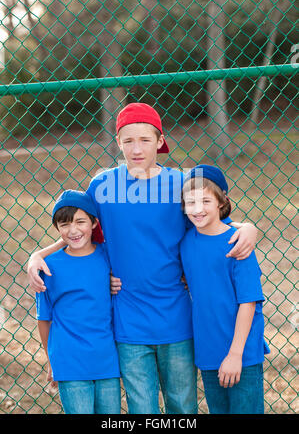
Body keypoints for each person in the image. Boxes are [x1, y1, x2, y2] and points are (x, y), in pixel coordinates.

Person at [28, 102, 258, 414]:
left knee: (182, 405)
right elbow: (80, 229)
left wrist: (247, 227)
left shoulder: (179, 183)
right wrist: (39, 253)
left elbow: (211, 223)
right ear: (117, 141)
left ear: (160, 141)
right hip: (129, 320)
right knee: (142, 408)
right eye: (128, 140)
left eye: (145, 140)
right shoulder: (103, 185)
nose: (137, 149)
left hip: (177, 317)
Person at [180, 164, 270, 414]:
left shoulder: (238, 243)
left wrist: (235, 355)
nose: (197, 209)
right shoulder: (186, 242)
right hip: (208, 351)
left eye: (206, 201)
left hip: (242, 353)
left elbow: (248, 302)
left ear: (222, 202)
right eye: (190, 202)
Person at [35, 190, 121, 414]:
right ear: (57, 229)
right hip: (69, 360)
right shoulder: (48, 267)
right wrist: (50, 359)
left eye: (80, 222)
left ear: (94, 223)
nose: (73, 230)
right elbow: (44, 319)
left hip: (107, 358)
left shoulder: (108, 255)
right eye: (64, 225)